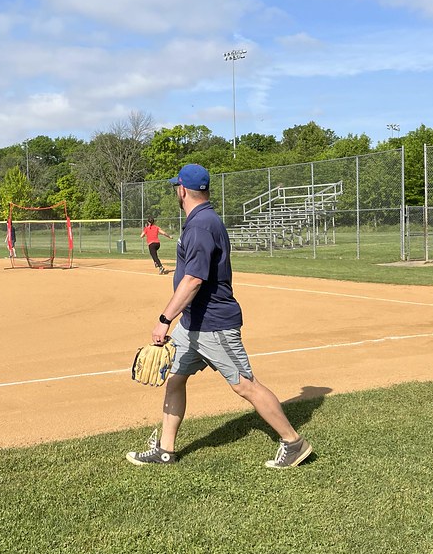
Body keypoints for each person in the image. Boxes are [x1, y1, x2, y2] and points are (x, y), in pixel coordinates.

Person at [126, 163, 313, 469]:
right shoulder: (201, 220)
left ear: (182, 190)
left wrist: (164, 319)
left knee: (244, 384)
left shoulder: (201, 225)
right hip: (192, 324)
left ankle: (293, 442)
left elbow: (194, 280)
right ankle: (165, 450)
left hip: (213, 324)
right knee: (175, 378)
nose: (177, 190)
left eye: (177, 186)